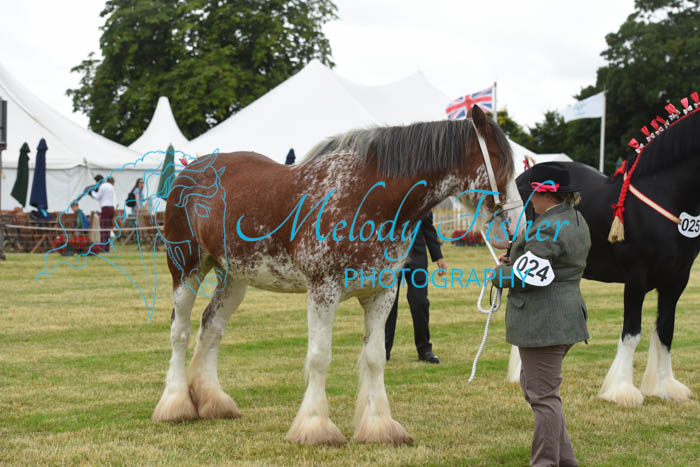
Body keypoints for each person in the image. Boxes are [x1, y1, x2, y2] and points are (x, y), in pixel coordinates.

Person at [495, 162, 590, 467]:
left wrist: (499, 275)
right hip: (565, 316)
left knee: (543, 397)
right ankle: (565, 460)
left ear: (548, 195)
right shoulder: (573, 218)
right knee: (538, 390)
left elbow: (528, 276)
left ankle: (546, 462)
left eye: (533, 193)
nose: (530, 199)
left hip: (545, 321)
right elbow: (546, 263)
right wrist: (516, 258)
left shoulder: (548, 226)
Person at [385, 212, 447, 363]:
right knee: (388, 305)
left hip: (417, 257)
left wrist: (438, 256)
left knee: (420, 302)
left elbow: (427, 227)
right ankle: (383, 350)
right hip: (390, 257)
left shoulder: (421, 199)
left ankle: (424, 350)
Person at [89, 174, 115, 252]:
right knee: (108, 229)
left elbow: (97, 197)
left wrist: (91, 192)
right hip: (111, 208)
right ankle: (107, 247)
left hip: (105, 209)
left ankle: (104, 248)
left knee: (104, 229)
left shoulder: (102, 186)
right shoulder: (110, 186)